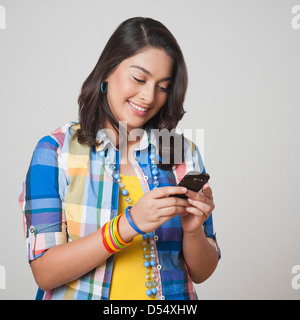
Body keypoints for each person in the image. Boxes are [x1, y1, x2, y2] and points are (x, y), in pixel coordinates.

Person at [18, 17, 220, 300]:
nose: (149, 97)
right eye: (139, 78)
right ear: (107, 71)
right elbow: (44, 271)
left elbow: (202, 272)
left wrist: (194, 230)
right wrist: (129, 225)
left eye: (163, 86)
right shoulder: (54, 152)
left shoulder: (182, 153)